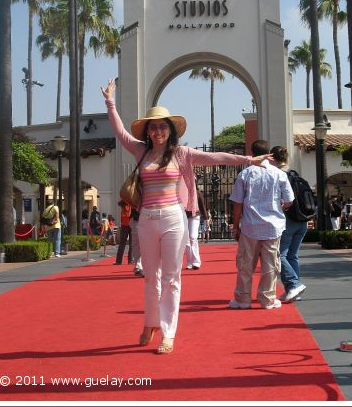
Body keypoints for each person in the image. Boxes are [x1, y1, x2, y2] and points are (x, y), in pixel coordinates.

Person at [101, 77, 272, 354]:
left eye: (162, 126)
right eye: (153, 127)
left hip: (172, 218)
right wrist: (110, 101)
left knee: (171, 277)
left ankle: (168, 332)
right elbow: (120, 132)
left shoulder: (182, 153)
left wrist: (248, 160)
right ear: (148, 131)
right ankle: (150, 322)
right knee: (150, 276)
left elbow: (216, 157)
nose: (157, 131)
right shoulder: (140, 150)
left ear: (170, 130)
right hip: (146, 219)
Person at [228, 141, 294, 310]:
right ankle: (267, 299)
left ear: (252, 152)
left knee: (245, 264)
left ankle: (243, 299)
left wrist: (236, 226)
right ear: (269, 153)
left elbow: (237, 203)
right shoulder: (279, 174)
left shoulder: (245, 174)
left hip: (250, 225)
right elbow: (289, 200)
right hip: (273, 226)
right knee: (270, 265)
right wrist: (279, 205)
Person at [275, 146, 309, 303]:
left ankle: (294, 285)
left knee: (279, 254)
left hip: (288, 221)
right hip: (302, 220)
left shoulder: (279, 175)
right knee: (292, 255)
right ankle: (295, 290)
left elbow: (285, 201)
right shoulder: (295, 174)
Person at [184, 179, 209, 270]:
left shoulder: (198, 193)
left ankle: (196, 262)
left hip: (195, 216)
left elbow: (202, 206)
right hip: (184, 217)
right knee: (186, 240)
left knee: (193, 237)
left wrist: (206, 219)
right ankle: (190, 262)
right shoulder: (182, 193)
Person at [114, 200, 133, 265]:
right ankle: (130, 260)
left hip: (124, 225)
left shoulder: (123, 204)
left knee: (122, 243)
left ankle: (118, 261)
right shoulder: (131, 203)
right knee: (131, 243)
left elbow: (119, 203)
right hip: (131, 224)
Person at [130, 209, 144, 277]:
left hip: (150, 218)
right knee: (137, 245)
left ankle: (141, 267)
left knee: (145, 245)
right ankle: (138, 267)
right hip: (136, 219)